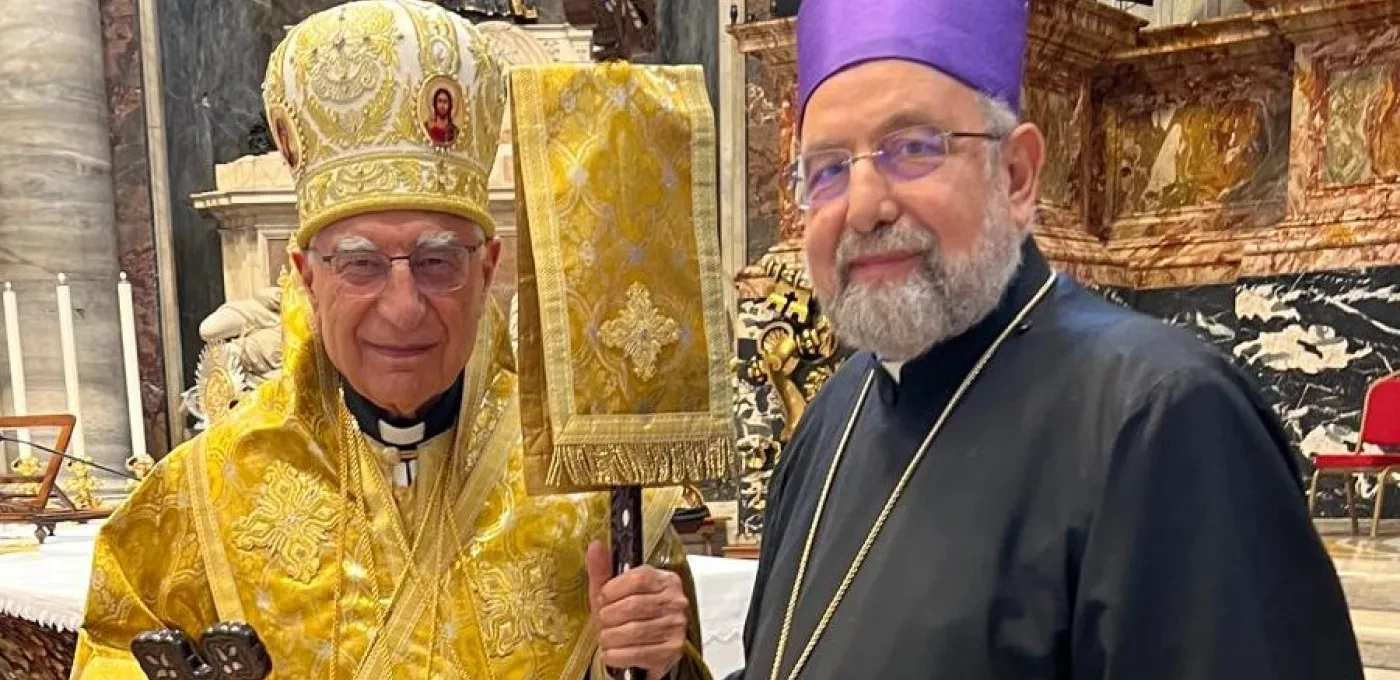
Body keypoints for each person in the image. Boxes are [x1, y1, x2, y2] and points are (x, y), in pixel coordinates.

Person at [727, 1, 1366, 679]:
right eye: (826, 168)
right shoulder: (833, 415)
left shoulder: (1163, 418)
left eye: (913, 148)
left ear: (1017, 175)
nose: (863, 206)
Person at [72, 2, 709, 679]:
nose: (403, 309)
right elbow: (110, 653)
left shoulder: (589, 492)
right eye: (360, 263)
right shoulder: (205, 490)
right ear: (306, 277)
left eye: (438, 262)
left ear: (488, 269)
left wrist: (645, 665)